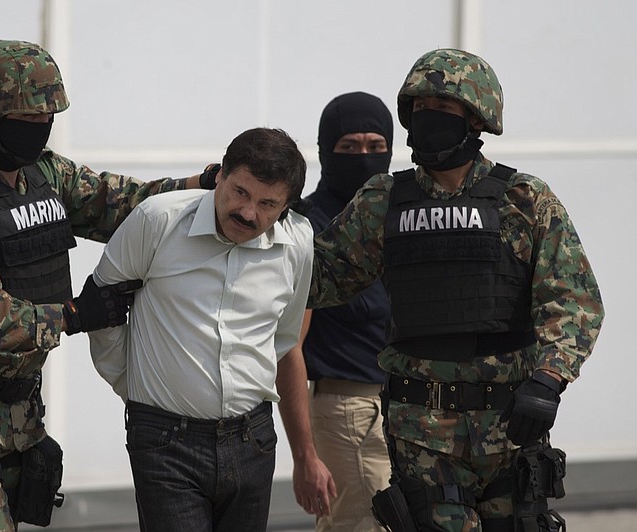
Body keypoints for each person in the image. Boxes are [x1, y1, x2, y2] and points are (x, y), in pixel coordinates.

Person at [0, 39, 208, 531]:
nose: (41, 130)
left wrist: (202, 185)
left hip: (20, 414)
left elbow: (119, 204)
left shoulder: (43, 173)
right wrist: (77, 316)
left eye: (47, 120)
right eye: (29, 121)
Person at [307, 48, 604, 532]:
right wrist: (263, 240)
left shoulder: (523, 199)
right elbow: (324, 277)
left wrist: (548, 380)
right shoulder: (383, 200)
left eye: (442, 111)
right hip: (420, 429)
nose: (428, 121)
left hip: (510, 426)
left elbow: (574, 300)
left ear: (476, 119)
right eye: (420, 111)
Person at [87, 127, 336, 532]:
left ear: (287, 207)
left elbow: (284, 338)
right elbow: (102, 310)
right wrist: (133, 385)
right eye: (240, 192)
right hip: (165, 443)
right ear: (219, 175)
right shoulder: (157, 221)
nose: (249, 212)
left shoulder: (298, 244)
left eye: (267, 203)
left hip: (253, 441)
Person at [290, 91, 394, 532]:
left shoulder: (397, 217)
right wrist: (305, 456)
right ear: (324, 151)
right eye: (349, 147)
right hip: (349, 414)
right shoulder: (310, 228)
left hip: (408, 414)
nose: (364, 156)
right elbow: (288, 347)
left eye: (376, 146)